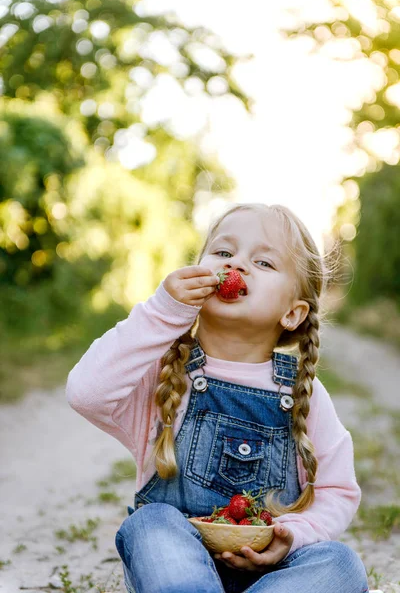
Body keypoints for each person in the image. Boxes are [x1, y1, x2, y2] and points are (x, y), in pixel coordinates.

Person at [66, 203, 369, 593]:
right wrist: (163, 312)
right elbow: (85, 393)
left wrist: (291, 535)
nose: (236, 265)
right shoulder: (166, 374)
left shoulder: (299, 392)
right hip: (175, 562)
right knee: (149, 522)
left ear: (292, 313)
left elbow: (337, 489)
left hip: (271, 572)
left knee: (340, 564)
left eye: (263, 262)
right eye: (223, 253)